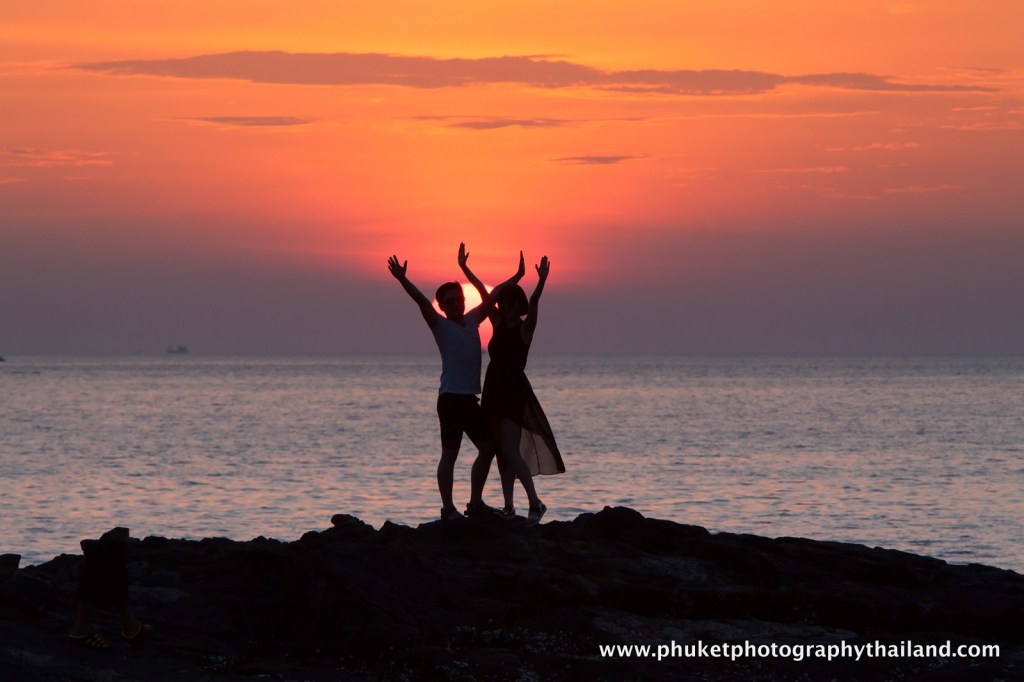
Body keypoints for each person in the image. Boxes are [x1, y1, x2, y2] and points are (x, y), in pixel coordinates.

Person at [387, 247, 525, 521]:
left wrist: (518, 275)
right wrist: (403, 279)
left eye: (458, 299)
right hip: (450, 400)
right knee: (449, 454)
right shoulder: (440, 325)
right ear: (442, 306)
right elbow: (421, 302)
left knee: (488, 449)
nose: (455, 304)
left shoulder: (473, 320)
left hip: (470, 400)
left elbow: (495, 294)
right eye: (449, 302)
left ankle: (475, 504)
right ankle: (447, 509)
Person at [461, 251, 564, 523]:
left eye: (510, 303)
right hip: (493, 389)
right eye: (503, 302)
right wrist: (465, 268)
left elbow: (535, 300)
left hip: (513, 390)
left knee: (510, 450)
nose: (505, 306)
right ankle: (509, 507)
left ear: (519, 306)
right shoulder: (496, 323)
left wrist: (541, 281)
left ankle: (535, 503)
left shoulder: (524, 329)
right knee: (499, 450)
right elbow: (485, 294)